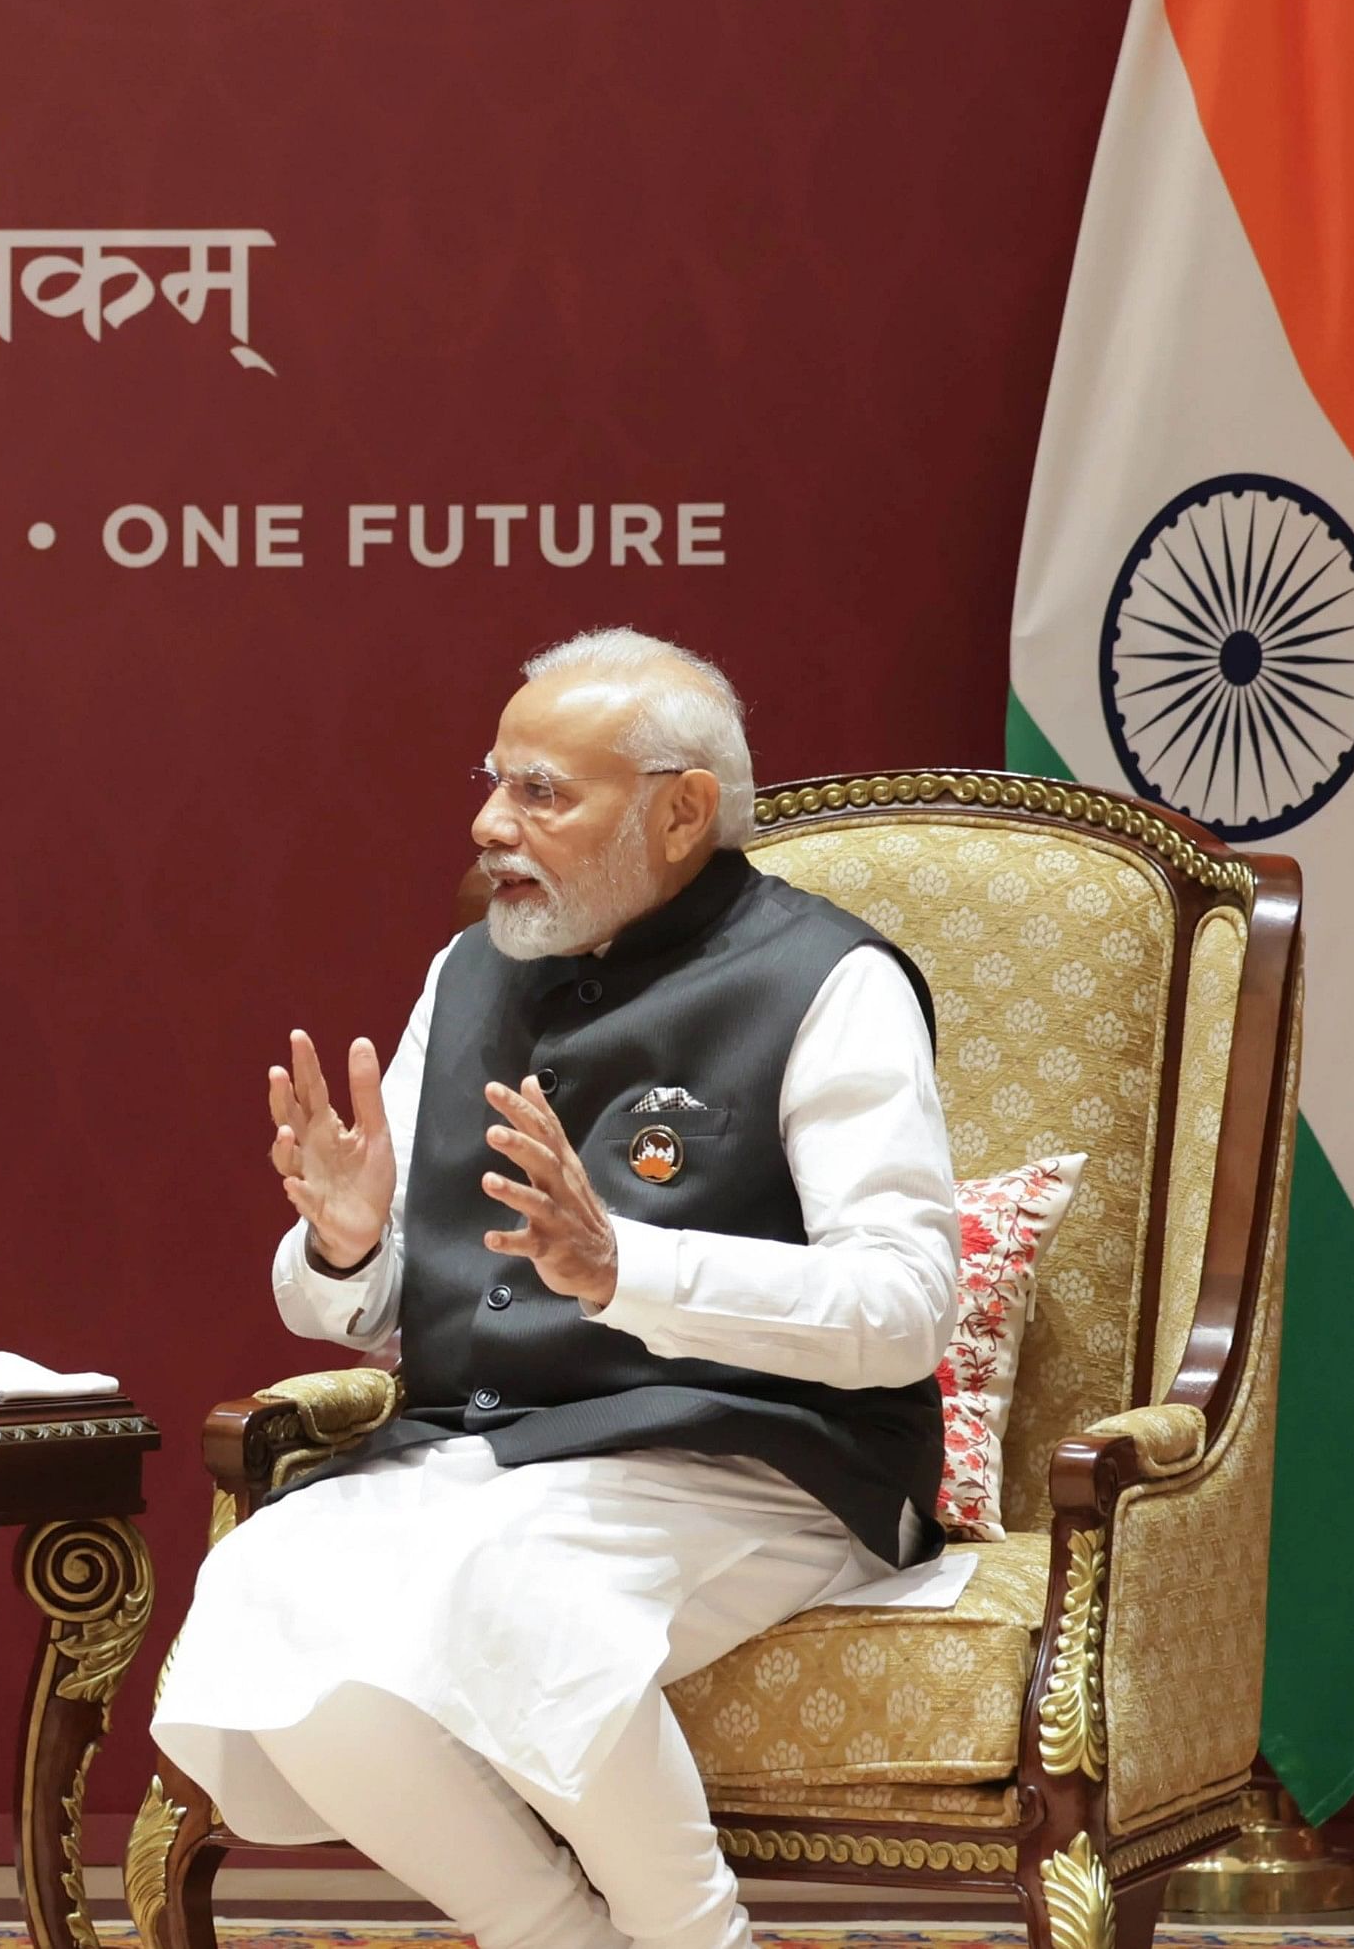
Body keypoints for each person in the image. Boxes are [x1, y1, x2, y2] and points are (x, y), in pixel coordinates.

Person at [148, 627, 957, 1949]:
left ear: (682, 810)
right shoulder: (468, 973)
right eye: (494, 782)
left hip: (759, 1461)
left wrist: (628, 1270)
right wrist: (352, 1241)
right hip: (496, 1454)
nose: (488, 824)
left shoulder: (831, 983)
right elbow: (362, 1299)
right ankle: (552, 1938)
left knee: (521, 1590)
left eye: (541, 793)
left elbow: (905, 1308)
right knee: (273, 1578)